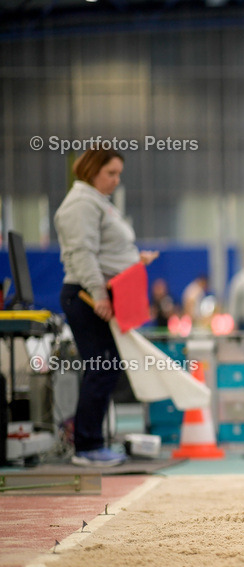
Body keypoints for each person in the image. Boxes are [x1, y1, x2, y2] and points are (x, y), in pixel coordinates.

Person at [55, 149, 158, 467]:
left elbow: (104, 251)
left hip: (100, 294)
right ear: (91, 170)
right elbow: (82, 254)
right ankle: (87, 446)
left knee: (107, 369)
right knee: (102, 369)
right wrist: (99, 295)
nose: (116, 180)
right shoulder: (82, 204)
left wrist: (133, 262)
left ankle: (90, 440)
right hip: (86, 297)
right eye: (110, 173)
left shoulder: (98, 202)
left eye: (118, 174)